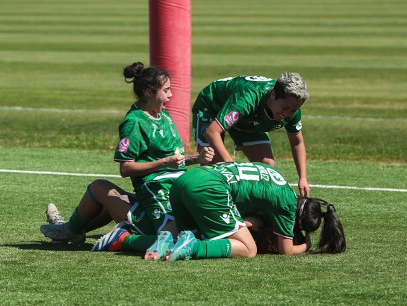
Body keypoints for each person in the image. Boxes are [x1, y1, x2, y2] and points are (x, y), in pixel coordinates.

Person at [40, 61, 214, 254]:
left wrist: (196, 159)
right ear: (149, 92)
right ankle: (72, 230)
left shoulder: (162, 115)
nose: (171, 95)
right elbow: (126, 168)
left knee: (108, 201)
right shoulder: (134, 122)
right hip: (155, 194)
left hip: (174, 191)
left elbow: (174, 160)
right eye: (166, 90)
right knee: (100, 187)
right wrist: (164, 163)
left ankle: (71, 230)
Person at [143, 162, 346, 262]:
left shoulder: (277, 179)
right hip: (209, 188)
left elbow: (245, 212)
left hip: (188, 179)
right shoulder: (287, 207)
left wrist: (248, 223)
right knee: (249, 250)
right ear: (297, 220)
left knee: (192, 232)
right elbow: (287, 251)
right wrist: (306, 245)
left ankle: (162, 240)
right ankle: (192, 247)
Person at [192, 73, 311, 197]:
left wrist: (302, 177)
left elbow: (297, 143)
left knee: (267, 168)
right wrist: (232, 167)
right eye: (285, 107)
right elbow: (212, 132)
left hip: (246, 118)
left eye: (293, 110)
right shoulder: (247, 99)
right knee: (216, 167)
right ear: (273, 94)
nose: (287, 114)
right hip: (213, 106)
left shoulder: (292, 110)